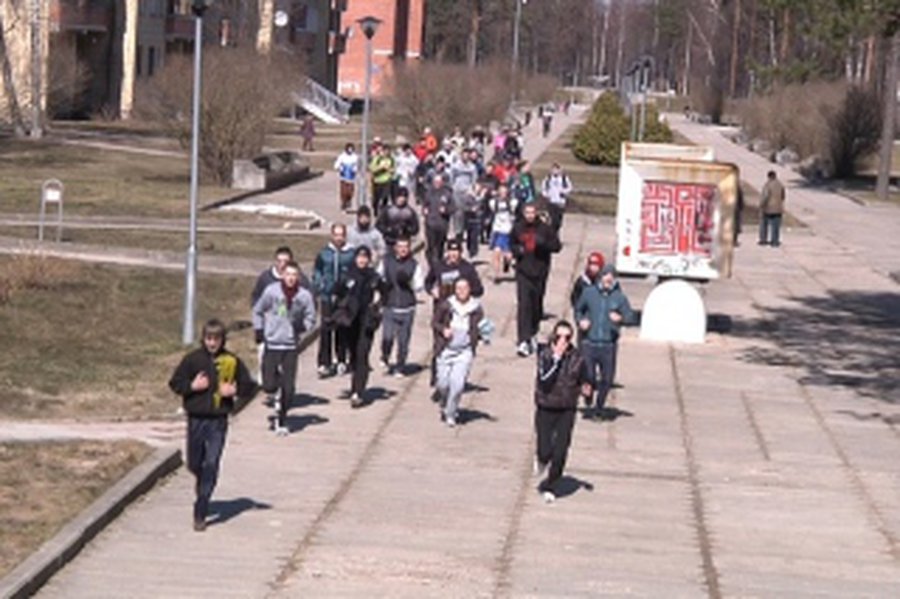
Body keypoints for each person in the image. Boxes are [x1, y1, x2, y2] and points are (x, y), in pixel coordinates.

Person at [169, 319, 257, 531]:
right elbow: (175, 383)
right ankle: (202, 482)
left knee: (212, 462)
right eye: (208, 338)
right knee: (194, 463)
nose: (212, 343)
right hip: (196, 419)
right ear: (203, 339)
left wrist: (234, 391)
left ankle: (201, 508)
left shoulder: (232, 361)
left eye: (216, 339)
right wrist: (192, 386)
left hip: (218, 420)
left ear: (222, 340)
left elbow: (250, 386)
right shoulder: (193, 360)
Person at [252, 262, 317, 435]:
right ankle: (275, 389)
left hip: (290, 345)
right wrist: (259, 329)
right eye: (288, 274)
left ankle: (282, 417)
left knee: (289, 388)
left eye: (294, 275)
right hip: (272, 343)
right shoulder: (272, 292)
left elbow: (312, 317)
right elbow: (258, 310)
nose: (291, 278)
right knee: (268, 384)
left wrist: (302, 327)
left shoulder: (303, 296)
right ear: (282, 275)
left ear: (298, 277)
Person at [533, 320, 592, 504]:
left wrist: (587, 392)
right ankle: (542, 460)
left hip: (566, 408)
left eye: (567, 337)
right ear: (553, 336)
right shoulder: (545, 354)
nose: (563, 341)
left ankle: (551, 485)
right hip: (546, 406)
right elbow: (544, 381)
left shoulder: (577, 358)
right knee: (544, 449)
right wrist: (556, 360)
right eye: (559, 337)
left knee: (560, 450)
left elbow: (586, 381)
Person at [575, 264, 635, 419]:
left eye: (611, 278)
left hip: (609, 345)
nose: (608, 281)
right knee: (589, 376)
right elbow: (578, 309)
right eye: (606, 277)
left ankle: (599, 406)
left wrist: (620, 318)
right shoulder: (589, 293)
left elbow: (630, 316)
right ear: (600, 278)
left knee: (607, 379)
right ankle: (588, 394)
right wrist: (581, 320)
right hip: (589, 342)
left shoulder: (619, 298)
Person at [250, 246, 312, 383]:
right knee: (267, 368)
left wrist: (302, 325)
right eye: (279, 261)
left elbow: (309, 306)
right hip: (269, 331)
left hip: (290, 335)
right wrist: (259, 326)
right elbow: (256, 301)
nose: (282, 264)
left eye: (285, 261)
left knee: (287, 370)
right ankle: (268, 382)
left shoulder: (301, 282)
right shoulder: (266, 279)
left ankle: (283, 388)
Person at [331, 246, 382, 408]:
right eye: (359, 257)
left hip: (366, 323)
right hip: (350, 322)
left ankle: (357, 391)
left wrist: (377, 306)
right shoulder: (347, 275)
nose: (362, 260)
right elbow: (336, 293)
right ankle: (355, 380)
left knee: (362, 355)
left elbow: (386, 293)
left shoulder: (373, 277)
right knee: (353, 355)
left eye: (365, 257)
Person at [432, 277, 485, 427]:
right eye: (459, 289)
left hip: (464, 351)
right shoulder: (446, 305)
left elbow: (481, 326)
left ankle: (451, 413)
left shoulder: (476, 307)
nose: (462, 292)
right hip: (446, 349)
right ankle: (444, 402)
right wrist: (443, 330)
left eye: (465, 288)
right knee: (443, 384)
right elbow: (435, 322)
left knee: (458, 385)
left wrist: (484, 334)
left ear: (470, 290)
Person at [512, 203, 561, 357]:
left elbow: (557, 246)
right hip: (523, 272)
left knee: (535, 305)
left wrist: (544, 244)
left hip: (540, 272)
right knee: (524, 305)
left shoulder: (545, 229)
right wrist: (516, 251)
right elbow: (512, 243)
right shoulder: (518, 227)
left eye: (532, 212)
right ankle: (523, 340)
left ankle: (533, 331)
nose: (530, 216)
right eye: (527, 212)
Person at [378, 237, 425, 376]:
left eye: (406, 246)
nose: (403, 249)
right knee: (387, 336)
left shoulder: (414, 265)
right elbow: (378, 276)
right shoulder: (386, 261)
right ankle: (385, 355)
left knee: (403, 341)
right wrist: (382, 286)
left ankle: (400, 365)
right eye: (400, 246)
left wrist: (408, 282)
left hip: (407, 307)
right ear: (395, 248)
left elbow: (419, 286)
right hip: (390, 306)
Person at [313, 224, 356, 378]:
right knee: (325, 329)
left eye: (341, 235)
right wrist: (320, 285)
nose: (339, 238)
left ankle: (341, 359)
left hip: (343, 298)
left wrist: (350, 286)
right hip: (327, 296)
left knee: (342, 328)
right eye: (336, 235)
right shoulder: (324, 254)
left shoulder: (351, 253)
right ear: (331, 235)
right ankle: (324, 362)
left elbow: (354, 271)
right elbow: (317, 270)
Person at [425, 238, 484, 305]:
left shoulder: (468, 268)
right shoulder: (438, 266)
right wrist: (432, 291)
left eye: (456, 251)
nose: (453, 254)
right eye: (451, 251)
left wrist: (466, 291)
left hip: (462, 308)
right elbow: (428, 282)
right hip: (442, 307)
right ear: (447, 252)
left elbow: (479, 290)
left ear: (460, 252)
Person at [423, 175, 455, 267]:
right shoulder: (429, 193)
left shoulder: (447, 194)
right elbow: (425, 204)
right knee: (431, 246)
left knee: (440, 245)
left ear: (442, 183)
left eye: (438, 182)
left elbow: (453, 208)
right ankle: (432, 264)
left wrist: (446, 210)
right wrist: (425, 209)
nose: (436, 184)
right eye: (435, 182)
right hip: (430, 223)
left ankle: (439, 263)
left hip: (442, 225)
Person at [489, 184, 517, 283]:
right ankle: (496, 275)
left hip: (508, 231)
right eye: (501, 192)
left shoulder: (512, 202)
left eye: (505, 192)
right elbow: (493, 211)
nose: (502, 194)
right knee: (496, 253)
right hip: (497, 230)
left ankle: (508, 262)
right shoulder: (493, 202)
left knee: (508, 255)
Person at [450, 148, 479, 240]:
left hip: (467, 191)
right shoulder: (455, 166)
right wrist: (453, 188)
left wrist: (473, 190)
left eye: (467, 155)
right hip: (457, 191)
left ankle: (465, 230)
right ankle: (457, 231)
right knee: (457, 212)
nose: (465, 157)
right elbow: (452, 178)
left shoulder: (472, 167)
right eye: (464, 155)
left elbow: (474, 179)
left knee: (467, 212)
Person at [541, 163, 574, 231]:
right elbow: (543, 188)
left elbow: (570, 187)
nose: (555, 171)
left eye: (557, 170)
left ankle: (556, 232)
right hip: (551, 202)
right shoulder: (548, 179)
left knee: (558, 221)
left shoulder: (564, 178)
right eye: (553, 170)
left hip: (560, 202)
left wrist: (564, 191)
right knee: (552, 220)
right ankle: (553, 235)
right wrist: (547, 195)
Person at [758, 170, 785, 247]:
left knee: (764, 224)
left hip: (768, 208)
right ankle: (775, 241)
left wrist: (761, 205)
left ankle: (763, 240)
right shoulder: (780, 185)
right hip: (778, 208)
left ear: (769, 177)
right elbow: (783, 196)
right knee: (776, 226)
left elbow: (765, 196)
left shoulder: (767, 185)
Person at [370, 144, 396, 216]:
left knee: (385, 196)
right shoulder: (377, 159)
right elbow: (372, 169)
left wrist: (389, 170)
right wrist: (381, 168)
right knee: (376, 198)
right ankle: (375, 209)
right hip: (377, 181)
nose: (387, 153)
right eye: (385, 151)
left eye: (388, 151)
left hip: (386, 180)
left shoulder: (391, 159)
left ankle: (383, 210)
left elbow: (393, 169)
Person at [334, 143, 359, 213]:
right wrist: (340, 168)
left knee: (350, 192)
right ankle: (343, 204)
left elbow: (357, 165)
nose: (350, 150)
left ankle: (348, 202)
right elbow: (337, 165)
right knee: (344, 192)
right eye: (348, 149)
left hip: (351, 178)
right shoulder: (342, 156)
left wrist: (355, 169)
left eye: (351, 149)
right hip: (343, 177)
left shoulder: (355, 157)